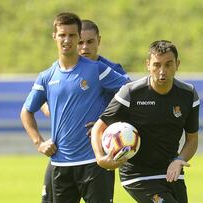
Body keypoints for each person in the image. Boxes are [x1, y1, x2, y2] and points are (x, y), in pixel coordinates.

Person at [20, 12, 129, 203]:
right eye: (62, 35)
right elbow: (26, 111)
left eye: (72, 35)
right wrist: (39, 143)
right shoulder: (46, 76)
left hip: (95, 162)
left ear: (78, 36)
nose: (67, 40)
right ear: (54, 36)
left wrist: (106, 122)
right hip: (60, 163)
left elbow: (130, 92)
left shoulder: (97, 69)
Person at [91, 40, 199, 203]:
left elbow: (192, 140)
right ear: (148, 65)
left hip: (171, 170)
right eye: (157, 65)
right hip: (137, 175)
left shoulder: (188, 94)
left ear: (177, 64)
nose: (162, 71)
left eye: (168, 64)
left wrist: (179, 160)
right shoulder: (131, 93)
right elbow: (98, 128)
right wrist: (100, 158)